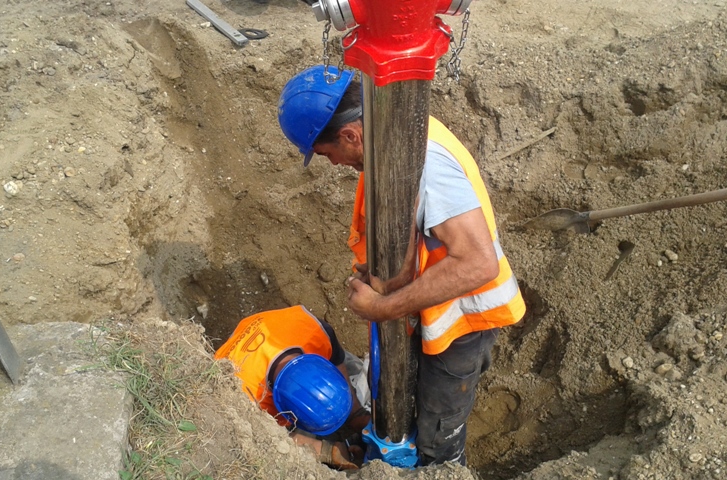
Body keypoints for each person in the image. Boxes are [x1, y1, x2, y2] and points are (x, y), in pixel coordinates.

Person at [277, 65, 527, 466]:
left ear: (350, 135)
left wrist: (384, 307)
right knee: (409, 403)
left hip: (462, 325)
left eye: (326, 154)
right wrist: (379, 271)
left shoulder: (424, 163)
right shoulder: (390, 144)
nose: (334, 164)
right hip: (426, 313)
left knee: (439, 440)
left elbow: (479, 263)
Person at [214, 305, 370, 470]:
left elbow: (337, 360)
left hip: (278, 329)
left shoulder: (317, 332)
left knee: (351, 366)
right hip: (238, 353)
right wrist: (328, 452)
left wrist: (356, 413)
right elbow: (270, 438)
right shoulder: (241, 396)